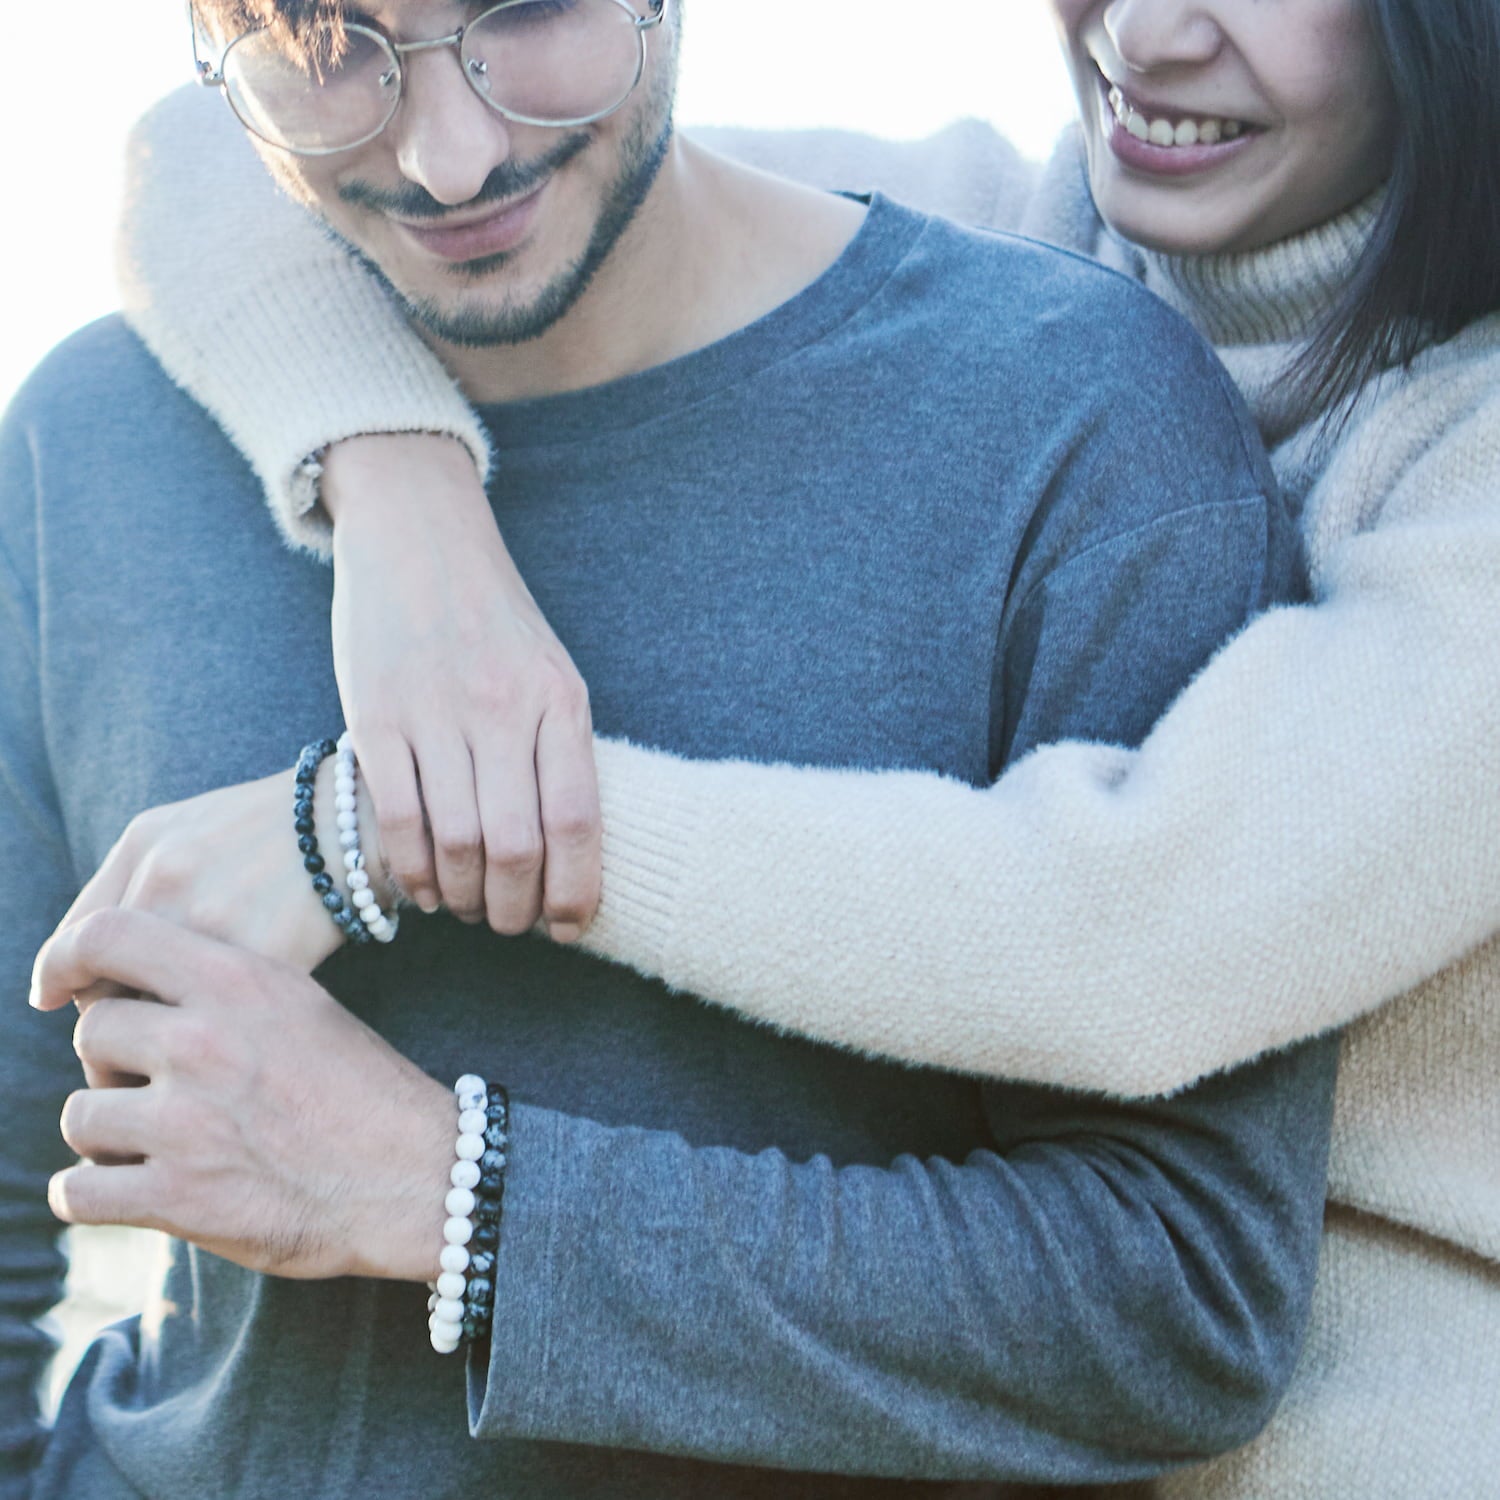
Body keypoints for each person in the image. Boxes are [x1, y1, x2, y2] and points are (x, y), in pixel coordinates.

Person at [104, 0, 1500, 1495]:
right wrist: (397, 493)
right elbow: (230, 151)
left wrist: (409, 818)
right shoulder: (1033, 236)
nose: (1149, 31)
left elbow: (1130, 932)